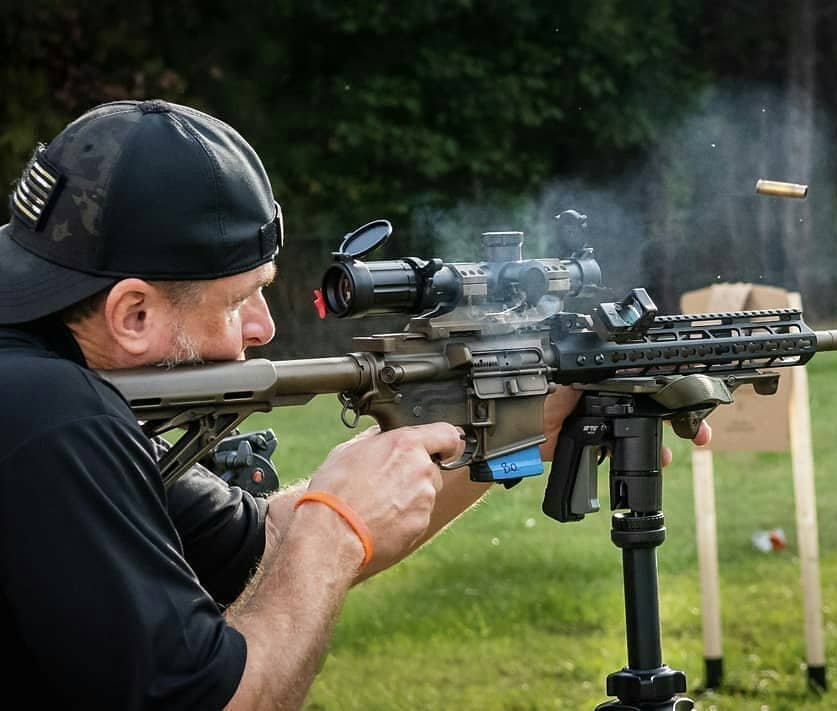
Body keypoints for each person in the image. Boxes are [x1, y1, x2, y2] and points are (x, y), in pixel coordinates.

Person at [0, 99, 710, 709]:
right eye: (241, 298)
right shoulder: (52, 415)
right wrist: (335, 528)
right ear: (132, 314)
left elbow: (258, 547)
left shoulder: (46, 380)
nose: (264, 328)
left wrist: (532, 426)